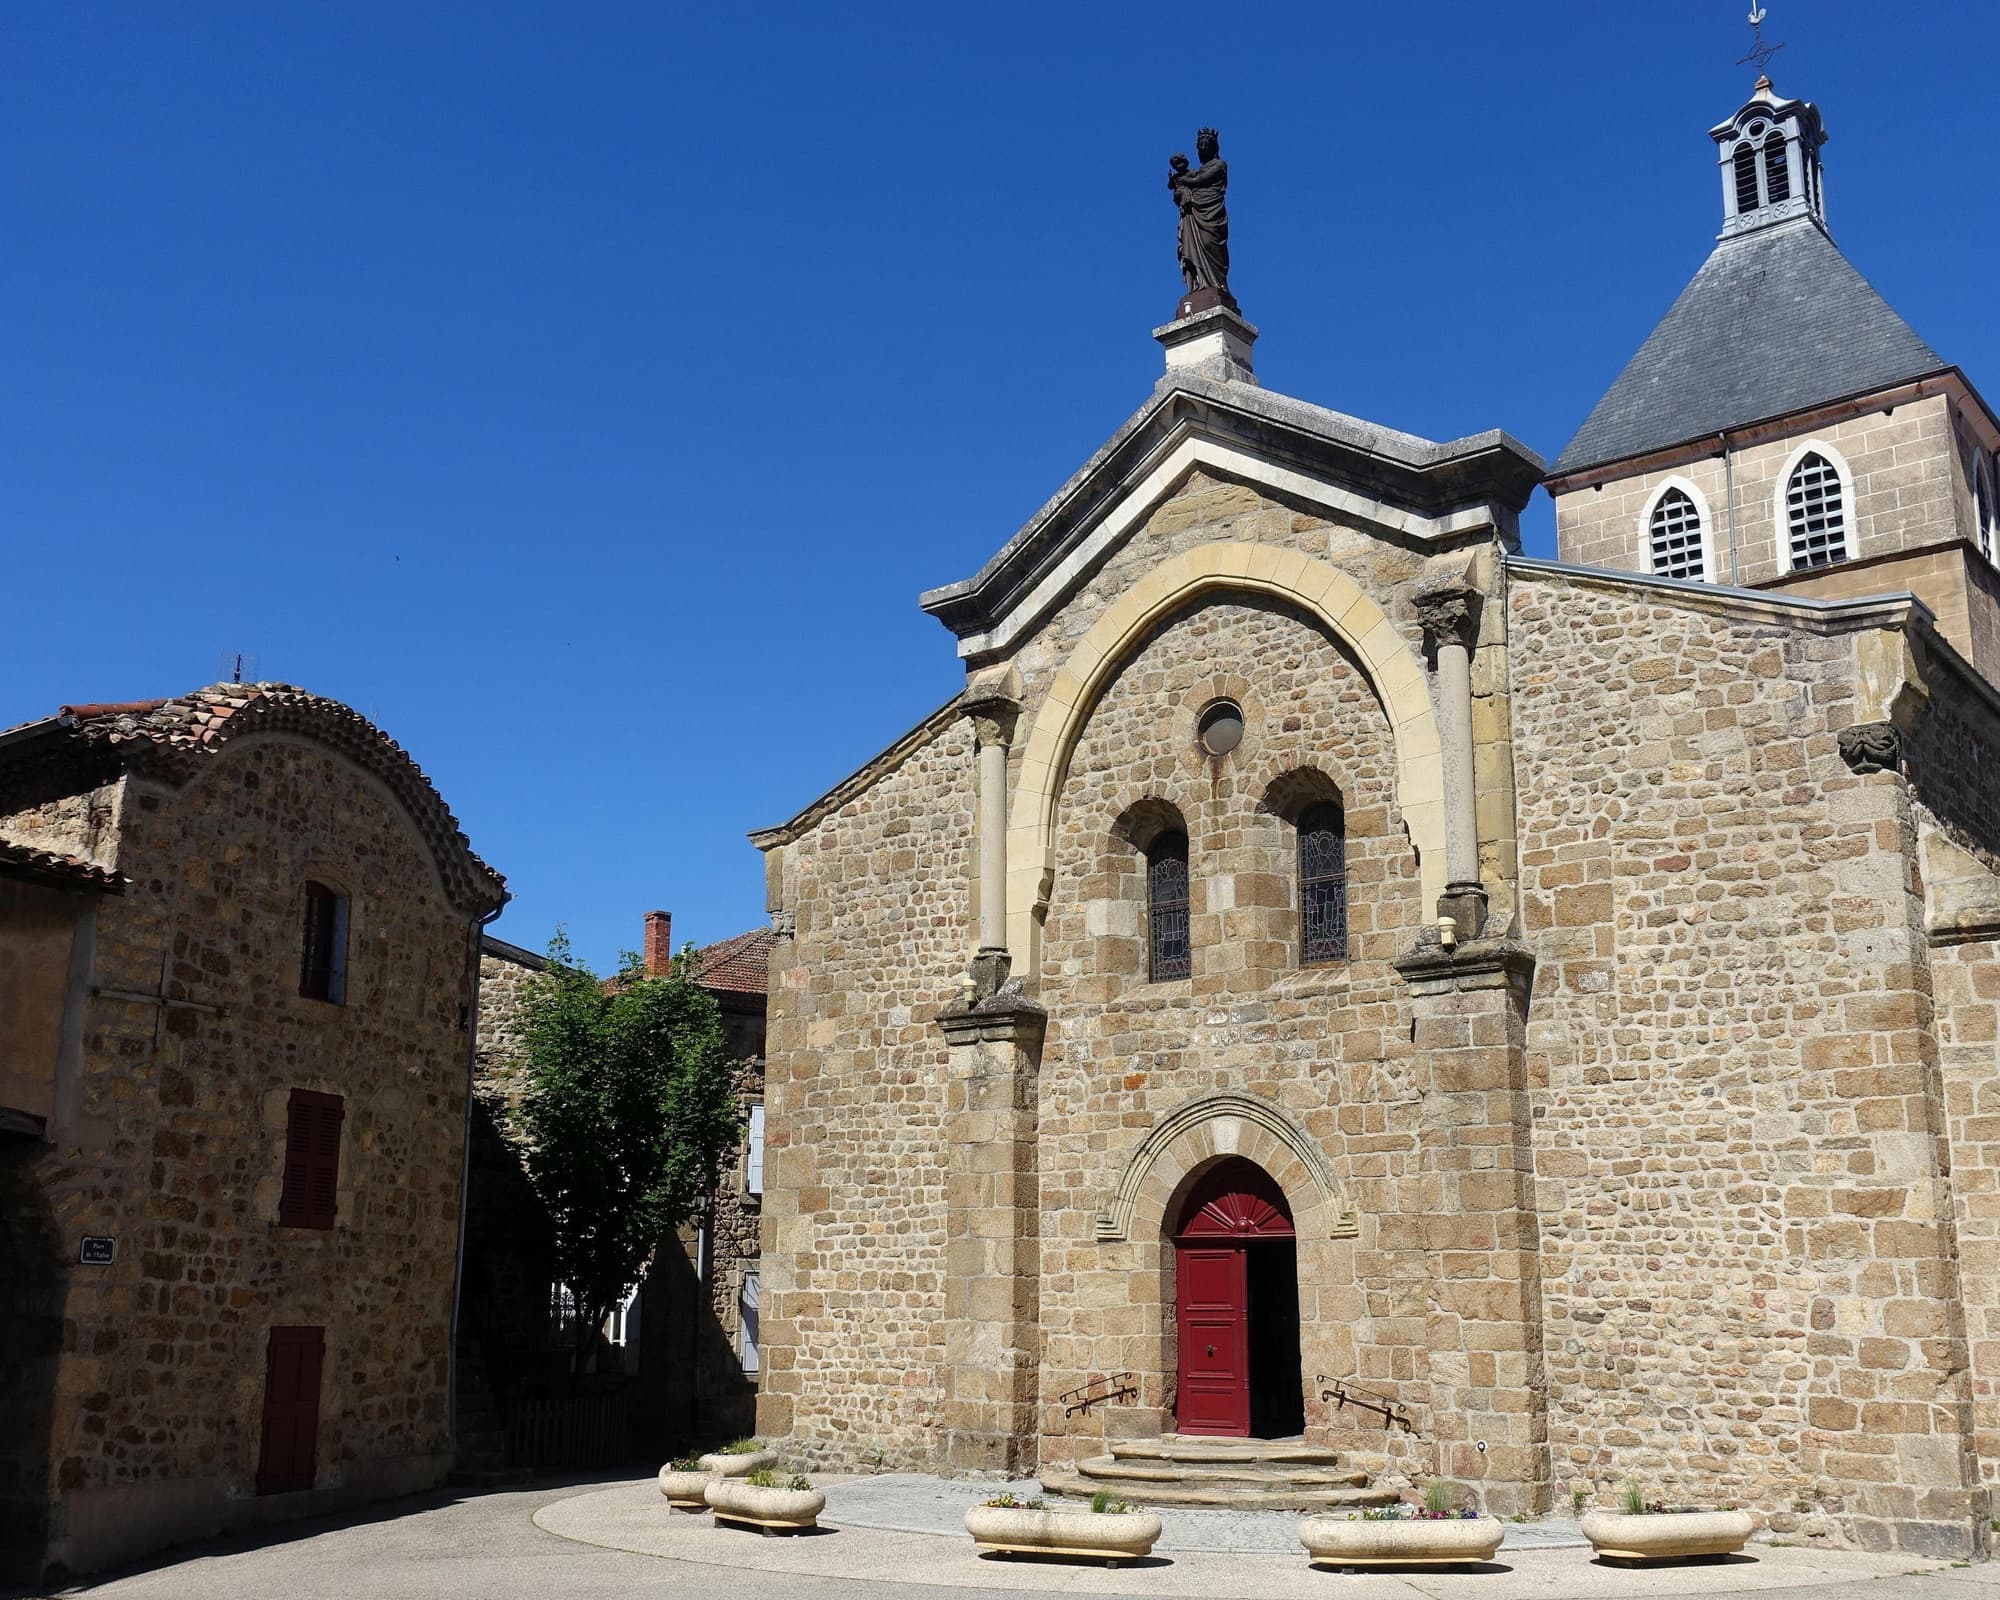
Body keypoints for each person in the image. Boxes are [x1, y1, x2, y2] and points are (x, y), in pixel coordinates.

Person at [1168, 128, 1230, 296]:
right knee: (1193, 245)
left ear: (1213, 147)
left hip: (1211, 212)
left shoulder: (1219, 165)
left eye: (1206, 145)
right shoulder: (1195, 171)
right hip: (1194, 213)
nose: (1202, 149)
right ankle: (1197, 284)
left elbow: (1200, 180)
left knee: (1211, 244)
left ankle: (1217, 284)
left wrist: (1182, 180)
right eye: (1200, 146)